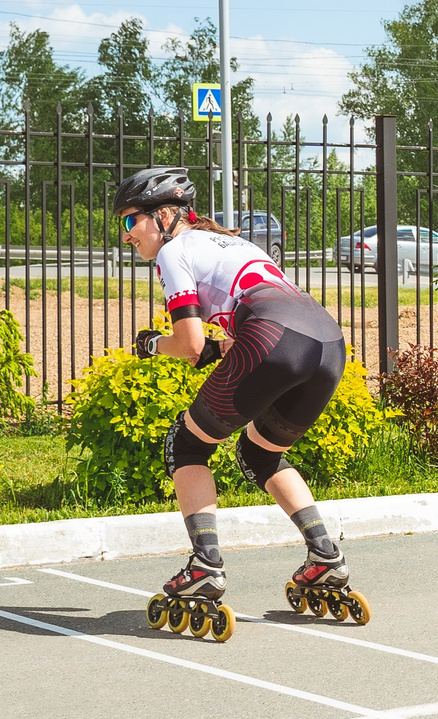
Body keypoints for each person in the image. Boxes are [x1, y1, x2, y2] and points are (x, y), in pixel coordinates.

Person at [116, 166, 356, 639]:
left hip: (275, 333)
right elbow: (235, 335)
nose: (126, 236)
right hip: (327, 341)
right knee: (260, 451)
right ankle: (326, 556)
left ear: (164, 215)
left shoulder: (175, 251)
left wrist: (149, 345)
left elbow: (187, 344)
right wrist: (212, 346)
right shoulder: (234, 244)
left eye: (129, 222)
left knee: (185, 447)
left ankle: (205, 566)